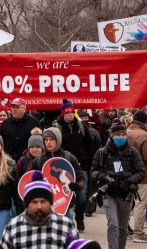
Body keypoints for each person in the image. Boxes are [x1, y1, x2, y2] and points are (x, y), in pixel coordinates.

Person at [91, 124, 145, 249]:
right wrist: (103, 177)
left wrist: (130, 180)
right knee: (113, 224)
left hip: (126, 195)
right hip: (109, 194)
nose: (120, 137)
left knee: (123, 227)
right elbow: (93, 171)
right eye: (117, 135)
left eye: (123, 135)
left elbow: (141, 172)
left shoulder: (132, 152)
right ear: (112, 136)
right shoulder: (102, 152)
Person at [1, 170, 78, 248]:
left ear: (50, 202)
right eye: (34, 202)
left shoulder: (66, 226)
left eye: (43, 201)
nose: (39, 207)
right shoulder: (13, 227)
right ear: (27, 204)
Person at [54, 99, 93, 232]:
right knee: (65, 194)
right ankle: (65, 221)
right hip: (64, 167)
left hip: (81, 166)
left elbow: (89, 145)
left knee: (82, 195)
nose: (70, 115)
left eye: (72, 112)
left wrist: (90, 162)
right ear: (63, 114)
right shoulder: (57, 127)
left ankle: (80, 217)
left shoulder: (81, 126)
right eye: (67, 113)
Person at [32, 127, 85, 221]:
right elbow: (32, 181)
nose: (48, 142)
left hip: (66, 203)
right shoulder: (38, 160)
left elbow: (81, 178)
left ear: (58, 140)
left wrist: (78, 186)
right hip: (46, 204)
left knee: (66, 233)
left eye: (51, 139)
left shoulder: (69, 157)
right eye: (46, 140)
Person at [126, 110, 147, 243]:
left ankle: (124, 229)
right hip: (140, 173)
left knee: (126, 202)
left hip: (124, 173)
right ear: (144, 121)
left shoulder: (124, 132)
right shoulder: (144, 134)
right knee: (140, 203)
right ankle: (139, 233)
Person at [0, 98, 41, 162]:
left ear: (24, 109)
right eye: (13, 107)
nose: (14, 109)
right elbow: (0, 142)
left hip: (28, 161)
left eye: (17, 107)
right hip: (8, 161)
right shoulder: (5, 123)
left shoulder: (34, 122)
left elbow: (40, 142)